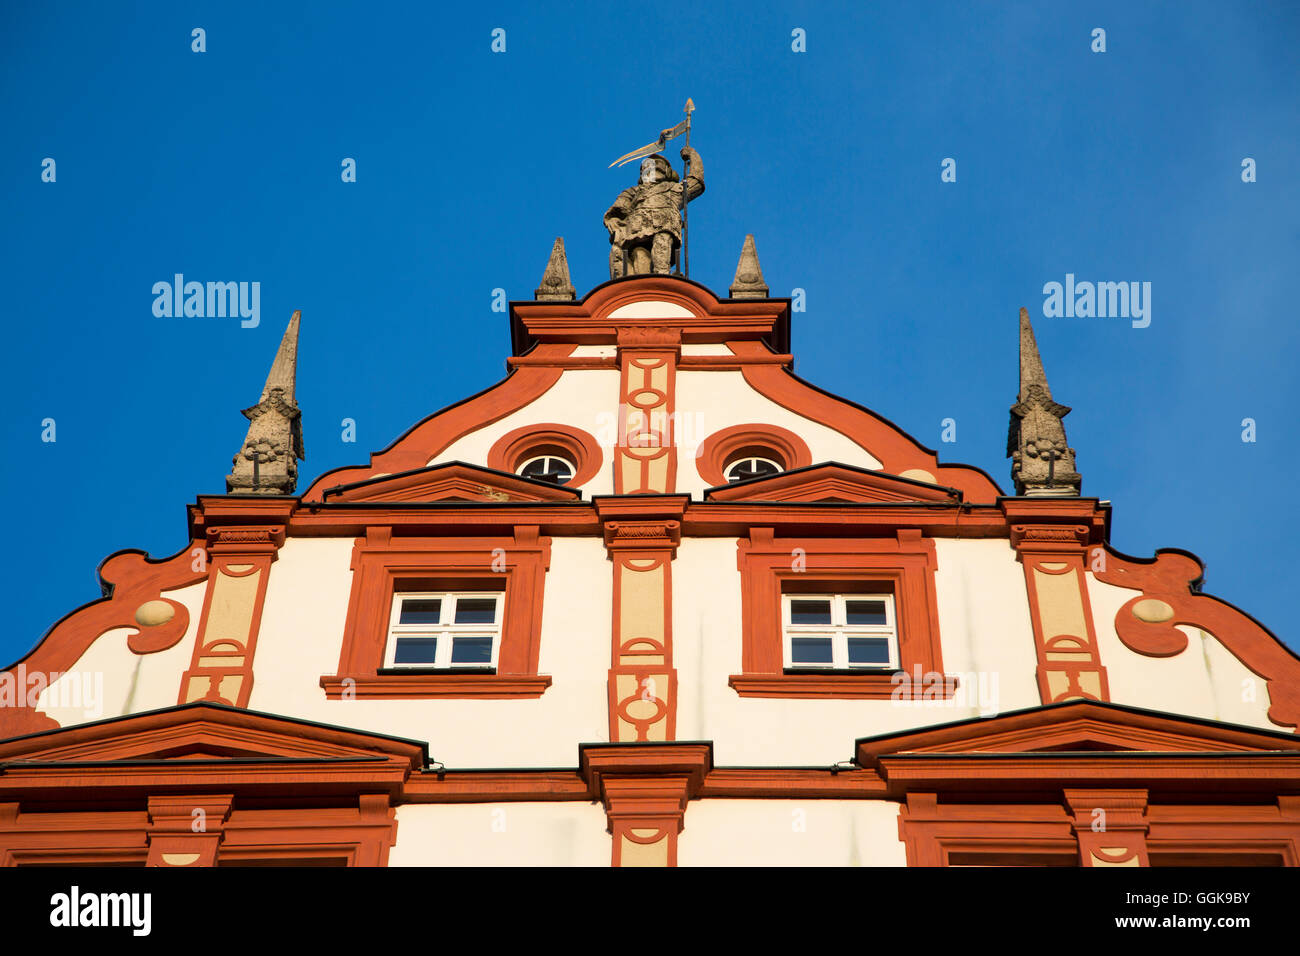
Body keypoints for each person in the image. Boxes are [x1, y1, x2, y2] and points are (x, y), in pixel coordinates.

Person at [605, 147, 704, 277]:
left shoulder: (673, 189)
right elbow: (617, 211)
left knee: (662, 245)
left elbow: (696, 182)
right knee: (639, 255)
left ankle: (662, 277)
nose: (652, 168)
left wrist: (693, 156)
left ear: (666, 171)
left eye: (657, 165)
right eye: (648, 167)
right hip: (636, 229)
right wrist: (614, 221)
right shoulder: (632, 192)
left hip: (664, 225)